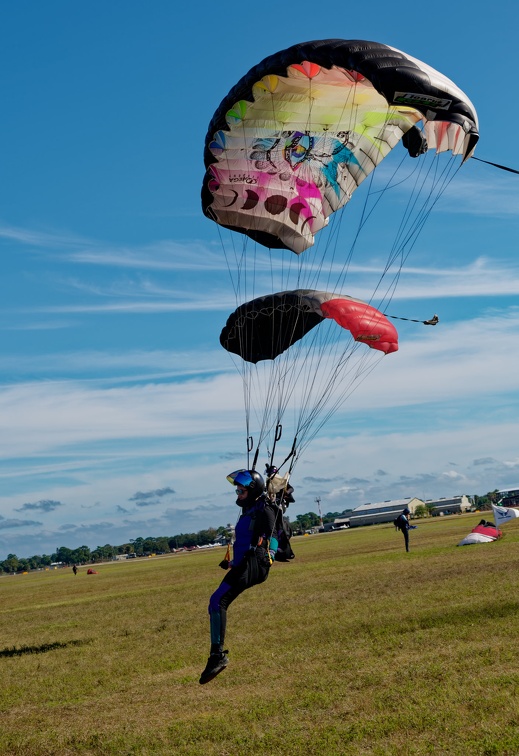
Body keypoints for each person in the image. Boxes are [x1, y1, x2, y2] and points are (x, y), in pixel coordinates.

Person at [199, 469, 279, 685]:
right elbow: (245, 540)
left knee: (217, 601)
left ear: (252, 491)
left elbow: (275, 535)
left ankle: (217, 656)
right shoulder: (249, 509)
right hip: (243, 563)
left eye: (241, 491)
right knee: (214, 603)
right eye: (237, 490)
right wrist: (233, 562)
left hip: (253, 565)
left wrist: (269, 555)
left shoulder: (265, 509)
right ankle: (216, 656)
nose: (237, 494)